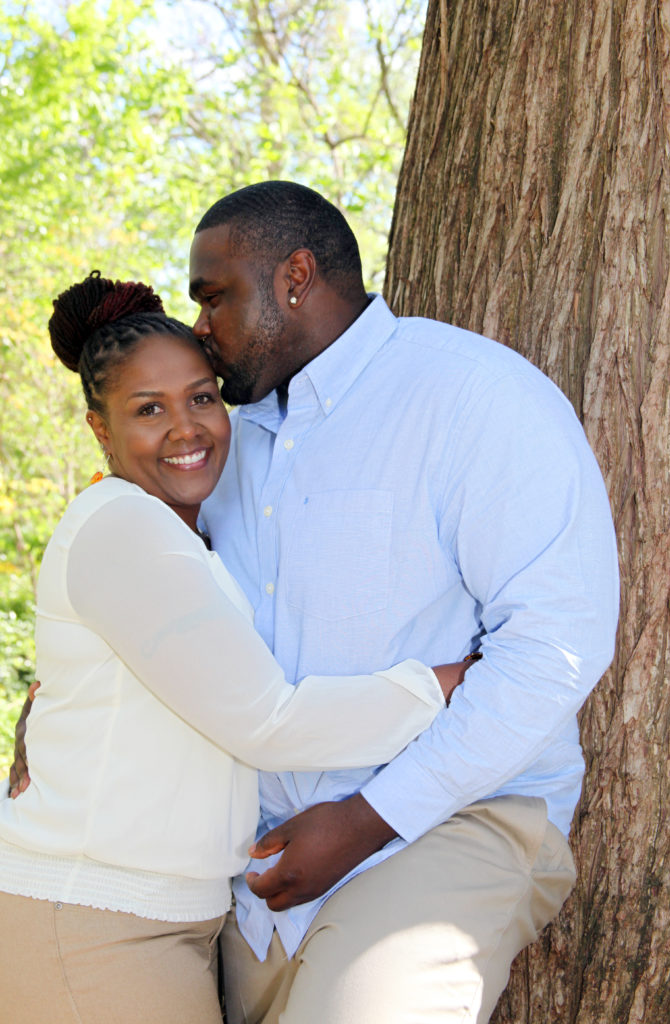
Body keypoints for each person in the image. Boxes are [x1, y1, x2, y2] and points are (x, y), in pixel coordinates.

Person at [186, 181, 620, 1023]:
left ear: (296, 277)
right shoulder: (224, 446)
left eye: (214, 296)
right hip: (258, 871)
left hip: (451, 822)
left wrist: (366, 818)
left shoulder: (471, 397)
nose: (201, 326)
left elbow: (556, 644)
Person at [0, 271, 468, 1024]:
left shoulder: (182, 531)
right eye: (148, 410)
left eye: (202, 397)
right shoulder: (125, 527)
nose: (186, 428)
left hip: (160, 917)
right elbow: (266, 722)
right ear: (99, 429)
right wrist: (445, 683)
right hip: (89, 916)